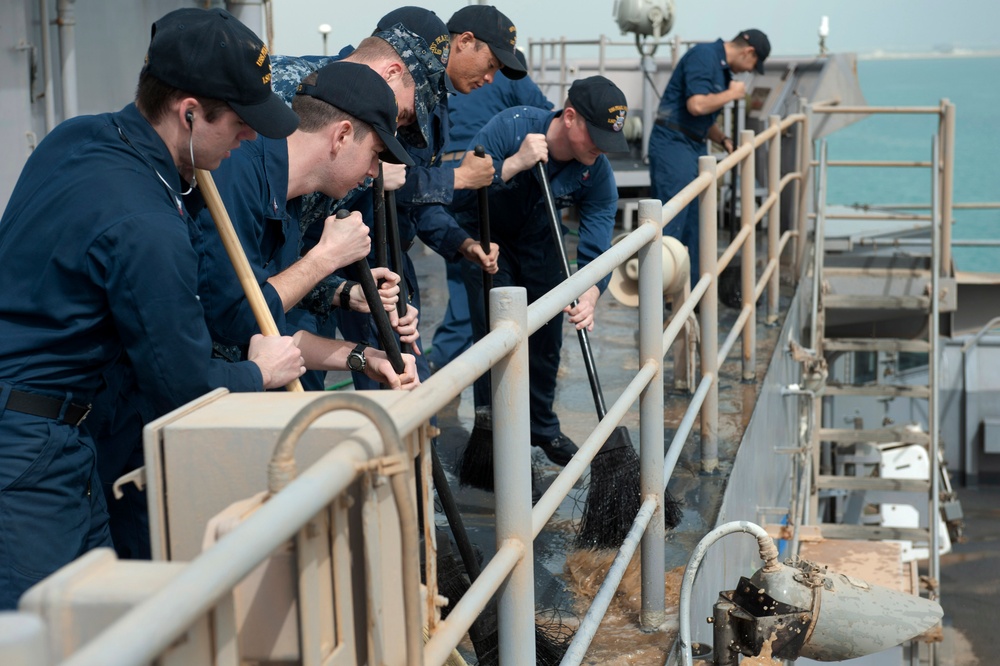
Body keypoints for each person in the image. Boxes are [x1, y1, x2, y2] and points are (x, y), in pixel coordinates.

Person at [0, 7, 304, 609]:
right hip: (32, 450)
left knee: (96, 622)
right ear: (188, 111)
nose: (250, 138)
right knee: (44, 636)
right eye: (241, 122)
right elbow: (184, 388)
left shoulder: (78, 136)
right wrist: (259, 372)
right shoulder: (145, 224)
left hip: (58, 431)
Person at [198, 60, 420, 390]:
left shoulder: (293, 192)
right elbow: (235, 320)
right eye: (375, 153)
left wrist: (366, 356)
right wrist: (327, 257)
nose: (375, 171)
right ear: (342, 135)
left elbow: (268, 322)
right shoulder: (238, 170)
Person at [454, 75, 630, 466]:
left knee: (547, 341)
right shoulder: (511, 126)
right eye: (596, 136)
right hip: (488, 240)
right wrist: (514, 163)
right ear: (570, 117)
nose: (602, 149)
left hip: (542, 244)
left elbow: (597, 241)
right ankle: (493, 433)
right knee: (496, 341)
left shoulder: (596, 171)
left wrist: (591, 291)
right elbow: (460, 189)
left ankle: (543, 428)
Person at [428, 48, 553, 372]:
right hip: (482, 174)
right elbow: (545, 122)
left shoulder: (454, 77)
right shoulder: (512, 78)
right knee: (485, 278)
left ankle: (444, 367)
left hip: (444, 176)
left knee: (461, 283)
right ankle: (489, 371)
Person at [647, 29, 770, 278]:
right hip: (673, 145)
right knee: (673, 224)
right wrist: (732, 94)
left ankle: (691, 298)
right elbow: (697, 105)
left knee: (697, 226)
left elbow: (702, 118)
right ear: (748, 52)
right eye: (753, 65)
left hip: (694, 144)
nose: (748, 72)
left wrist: (723, 139)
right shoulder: (704, 56)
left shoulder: (722, 69)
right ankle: (660, 303)